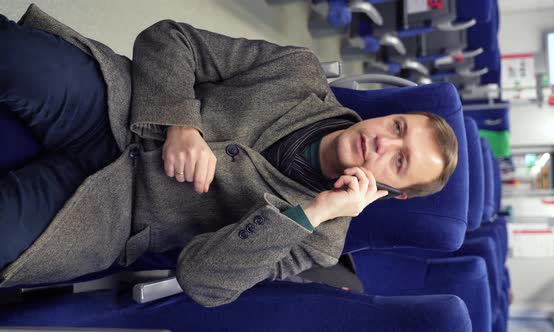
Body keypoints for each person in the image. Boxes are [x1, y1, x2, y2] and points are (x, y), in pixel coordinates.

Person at [0, 4, 458, 307]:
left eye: (399, 162)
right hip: (114, 104)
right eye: (397, 129)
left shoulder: (320, 239)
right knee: (13, 54)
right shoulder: (297, 73)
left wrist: (311, 213)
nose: (383, 142)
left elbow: (202, 280)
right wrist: (181, 123)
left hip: (112, 213)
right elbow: (172, 39)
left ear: (389, 193)